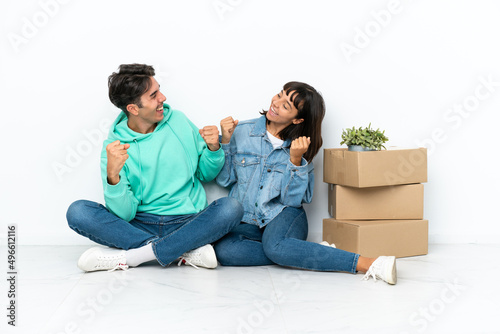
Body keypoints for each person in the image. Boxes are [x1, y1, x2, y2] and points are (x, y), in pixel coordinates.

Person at [214, 81, 397, 284]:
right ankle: (304, 251)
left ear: (297, 119)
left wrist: (295, 160)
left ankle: (368, 263)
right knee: (225, 252)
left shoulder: (301, 145)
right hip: (248, 220)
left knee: (275, 246)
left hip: (285, 215)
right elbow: (225, 179)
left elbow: (292, 200)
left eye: (286, 106)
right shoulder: (242, 131)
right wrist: (226, 143)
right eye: (279, 95)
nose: (276, 103)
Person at [66, 64, 243, 272]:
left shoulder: (178, 121)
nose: (163, 98)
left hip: (188, 221)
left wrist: (213, 149)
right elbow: (124, 214)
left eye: (159, 89)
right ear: (133, 108)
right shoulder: (114, 148)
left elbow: (204, 174)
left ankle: (135, 256)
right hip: (139, 224)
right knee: (78, 212)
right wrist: (113, 176)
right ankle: (183, 250)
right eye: (153, 95)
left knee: (231, 207)